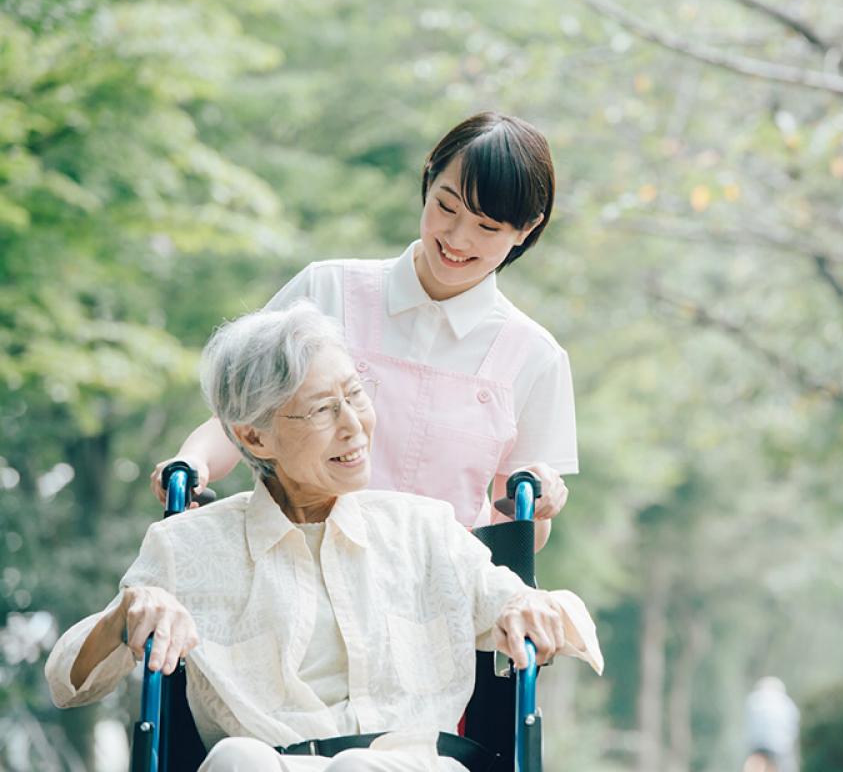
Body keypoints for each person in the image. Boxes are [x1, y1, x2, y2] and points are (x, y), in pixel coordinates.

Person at [47, 303, 602, 771]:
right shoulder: (187, 547)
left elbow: (545, 613)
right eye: (321, 410)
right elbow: (68, 680)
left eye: (356, 395)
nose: (355, 425)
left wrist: (534, 608)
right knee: (239, 759)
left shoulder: (424, 529)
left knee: (360, 767)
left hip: (406, 762)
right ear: (252, 436)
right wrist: (128, 614)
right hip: (271, 760)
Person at [151, 112, 575, 548]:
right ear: (428, 180)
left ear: (527, 229)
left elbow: (517, 534)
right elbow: (242, 417)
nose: (458, 238)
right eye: (446, 207)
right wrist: (192, 460)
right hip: (299, 561)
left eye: (487, 226)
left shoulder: (535, 357)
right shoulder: (326, 290)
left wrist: (537, 498)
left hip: (436, 586)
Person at [742, 676, 801, 772]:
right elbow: (793, 725)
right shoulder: (786, 702)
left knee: (756, 763)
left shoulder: (753, 700)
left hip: (757, 743)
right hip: (780, 744)